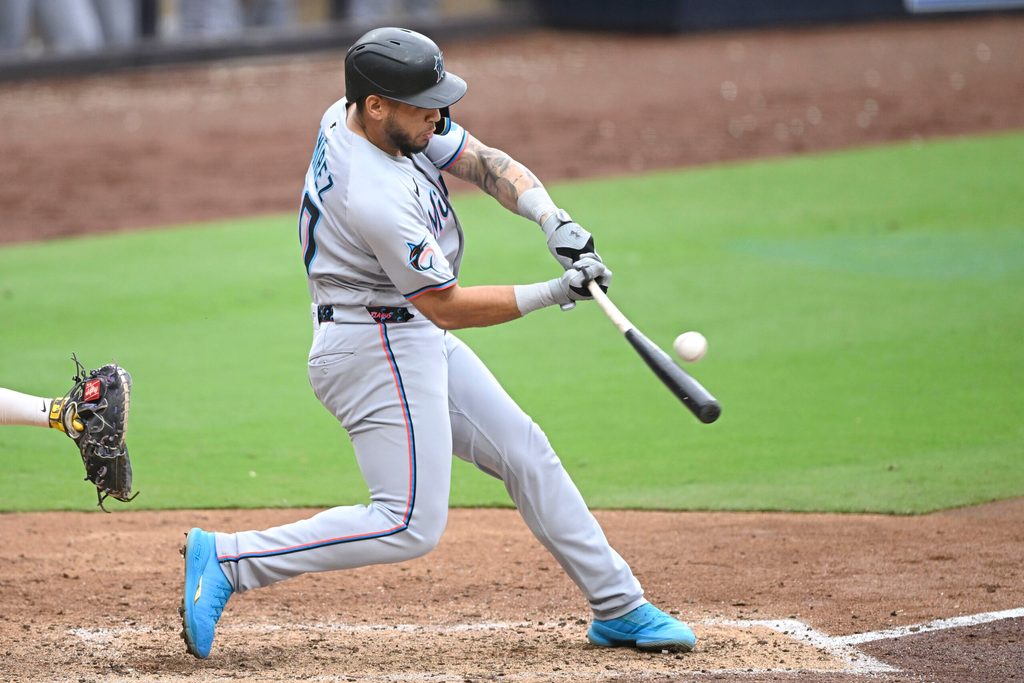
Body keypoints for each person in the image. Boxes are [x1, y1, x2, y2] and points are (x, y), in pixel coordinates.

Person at [179, 26, 697, 659]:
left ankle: (619, 606)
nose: (438, 115)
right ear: (377, 105)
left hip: (400, 332)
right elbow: (446, 307)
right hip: (375, 349)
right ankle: (229, 561)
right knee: (406, 523)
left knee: (525, 452)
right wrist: (558, 291)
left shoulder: (368, 117)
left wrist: (551, 218)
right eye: (424, 104)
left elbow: (480, 159)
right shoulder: (374, 193)